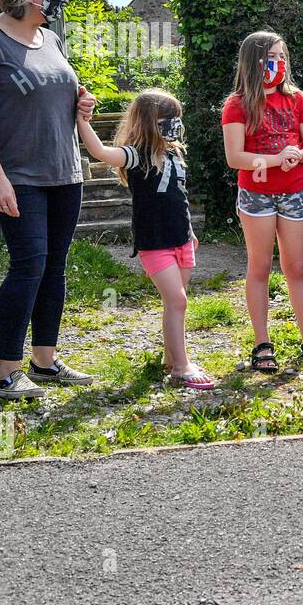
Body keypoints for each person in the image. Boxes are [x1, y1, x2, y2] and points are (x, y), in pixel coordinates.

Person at [0, 0, 94, 399]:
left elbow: (57, 101)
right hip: (17, 175)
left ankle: (45, 361)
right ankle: (5, 373)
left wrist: (81, 109)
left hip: (64, 172)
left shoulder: (51, 42)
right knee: (29, 264)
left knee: (54, 267)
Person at [76, 89, 212, 389]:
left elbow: (180, 197)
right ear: (150, 121)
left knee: (176, 303)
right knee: (177, 299)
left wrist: (190, 232)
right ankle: (181, 365)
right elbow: (100, 152)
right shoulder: (135, 155)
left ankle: (171, 357)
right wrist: (82, 119)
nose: (174, 124)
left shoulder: (175, 152)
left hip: (182, 239)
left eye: (177, 118)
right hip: (154, 243)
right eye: (168, 119)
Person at [221, 31, 303, 373]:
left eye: (282, 55)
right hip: (256, 195)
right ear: (253, 62)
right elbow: (235, 157)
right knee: (259, 267)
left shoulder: (298, 99)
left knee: (296, 268)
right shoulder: (237, 105)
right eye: (272, 56)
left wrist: (296, 154)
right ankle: (261, 343)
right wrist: (274, 160)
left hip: (295, 191)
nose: (279, 63)